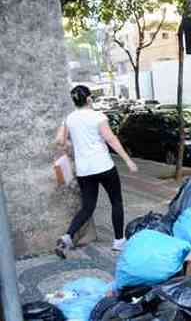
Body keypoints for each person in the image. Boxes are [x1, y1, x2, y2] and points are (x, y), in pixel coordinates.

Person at [55, 86, 138, 258]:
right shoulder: (98, 116)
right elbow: (110, 139)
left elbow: (59, 141)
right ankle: (118, 241)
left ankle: (67, 237)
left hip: (85, 171)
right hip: (104, 166)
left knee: (87, 207)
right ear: (89, 99)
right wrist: (128, 160)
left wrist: (74, 145)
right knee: (116, 202)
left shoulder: (69, 119)